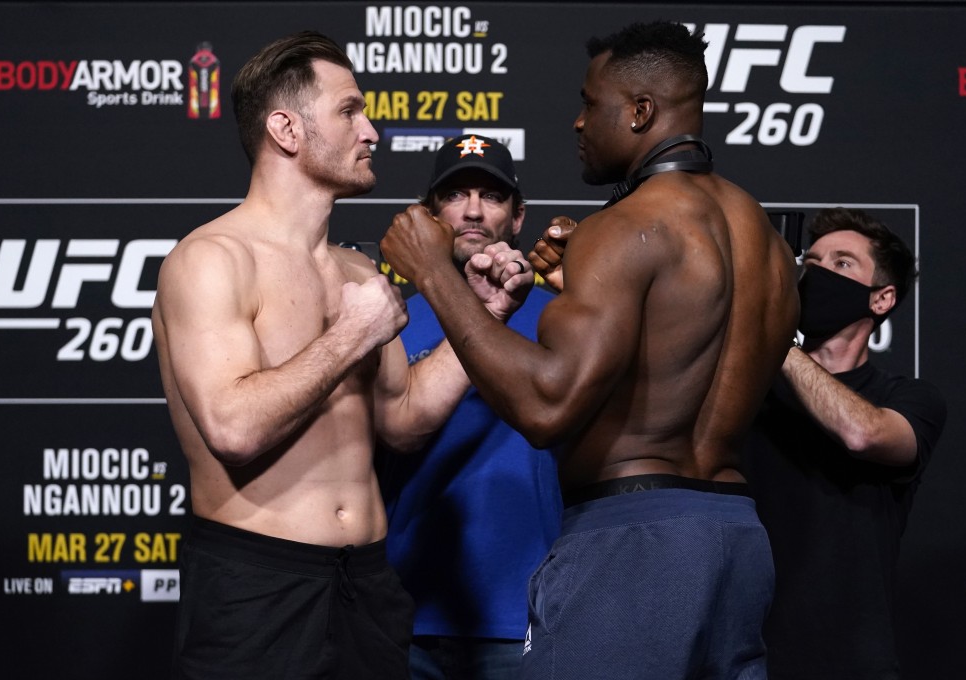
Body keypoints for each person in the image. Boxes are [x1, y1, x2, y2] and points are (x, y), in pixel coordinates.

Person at [380, 21, 799, 679]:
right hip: (735, 536)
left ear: (640, 111)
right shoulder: (765, 241)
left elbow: (547, 407)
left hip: (636, 541)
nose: (578, 122)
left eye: (589, 103)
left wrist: (434, 273)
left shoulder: (624, 226)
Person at [150, 31, 534, 680]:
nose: (372, 131)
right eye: (349, 111)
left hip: (369, 586)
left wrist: (486, 314)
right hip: (260, 585)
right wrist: (350, 335)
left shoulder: (357, 272)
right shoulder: (212, 260)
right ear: (286, 130)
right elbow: (233, 428)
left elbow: (403, 419)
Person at [377, 134, 562, 680]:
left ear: (518, 216)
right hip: (408, 607)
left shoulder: (562, 318)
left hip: (525, 609)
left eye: (492, 196)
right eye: (456, 195)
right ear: (429, 217)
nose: (474, 211)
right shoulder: (389, 319)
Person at [741, 207, 947, 679]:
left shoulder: (910, 398)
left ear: (882, 298)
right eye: (811, 261)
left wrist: (780, 342)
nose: (817, 273)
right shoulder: (748, 389)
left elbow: (863, 434)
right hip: (745, 653)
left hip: (849, 659)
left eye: (841, 263)